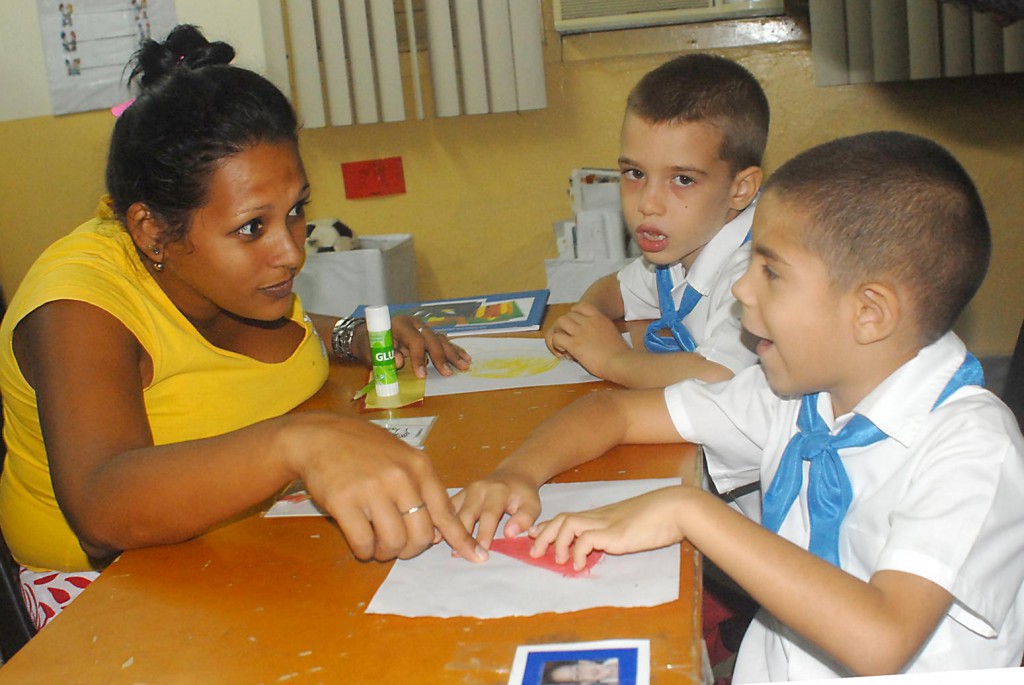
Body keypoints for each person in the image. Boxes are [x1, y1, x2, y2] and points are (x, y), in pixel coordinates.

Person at [478, 131, 1024, 680]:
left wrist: (687, 509)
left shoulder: (974, 448)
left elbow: (881, 641)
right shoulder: (794, 391)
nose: (739, 289)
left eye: (771, 272)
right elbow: (616, 414)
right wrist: (517, 472)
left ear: (870, 312)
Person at [0, 25, 485, 631]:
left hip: (248, 542)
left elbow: (273, 336)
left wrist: (352, 336)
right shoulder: (76, 308)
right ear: (152, 231)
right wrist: (298, 442)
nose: (290, 252)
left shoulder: (222, 273)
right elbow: (102, 505)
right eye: (253, 227)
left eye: (297, 210)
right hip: (112, 597)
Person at [545, 53, 767, 390]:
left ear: (740, 189)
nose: (647, 204)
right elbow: (615, 288)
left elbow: (719, 377)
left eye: (682, 180)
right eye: (635, 173)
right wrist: (584, 319)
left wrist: (611, 359)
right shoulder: (680, 249)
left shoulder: (755, 271)